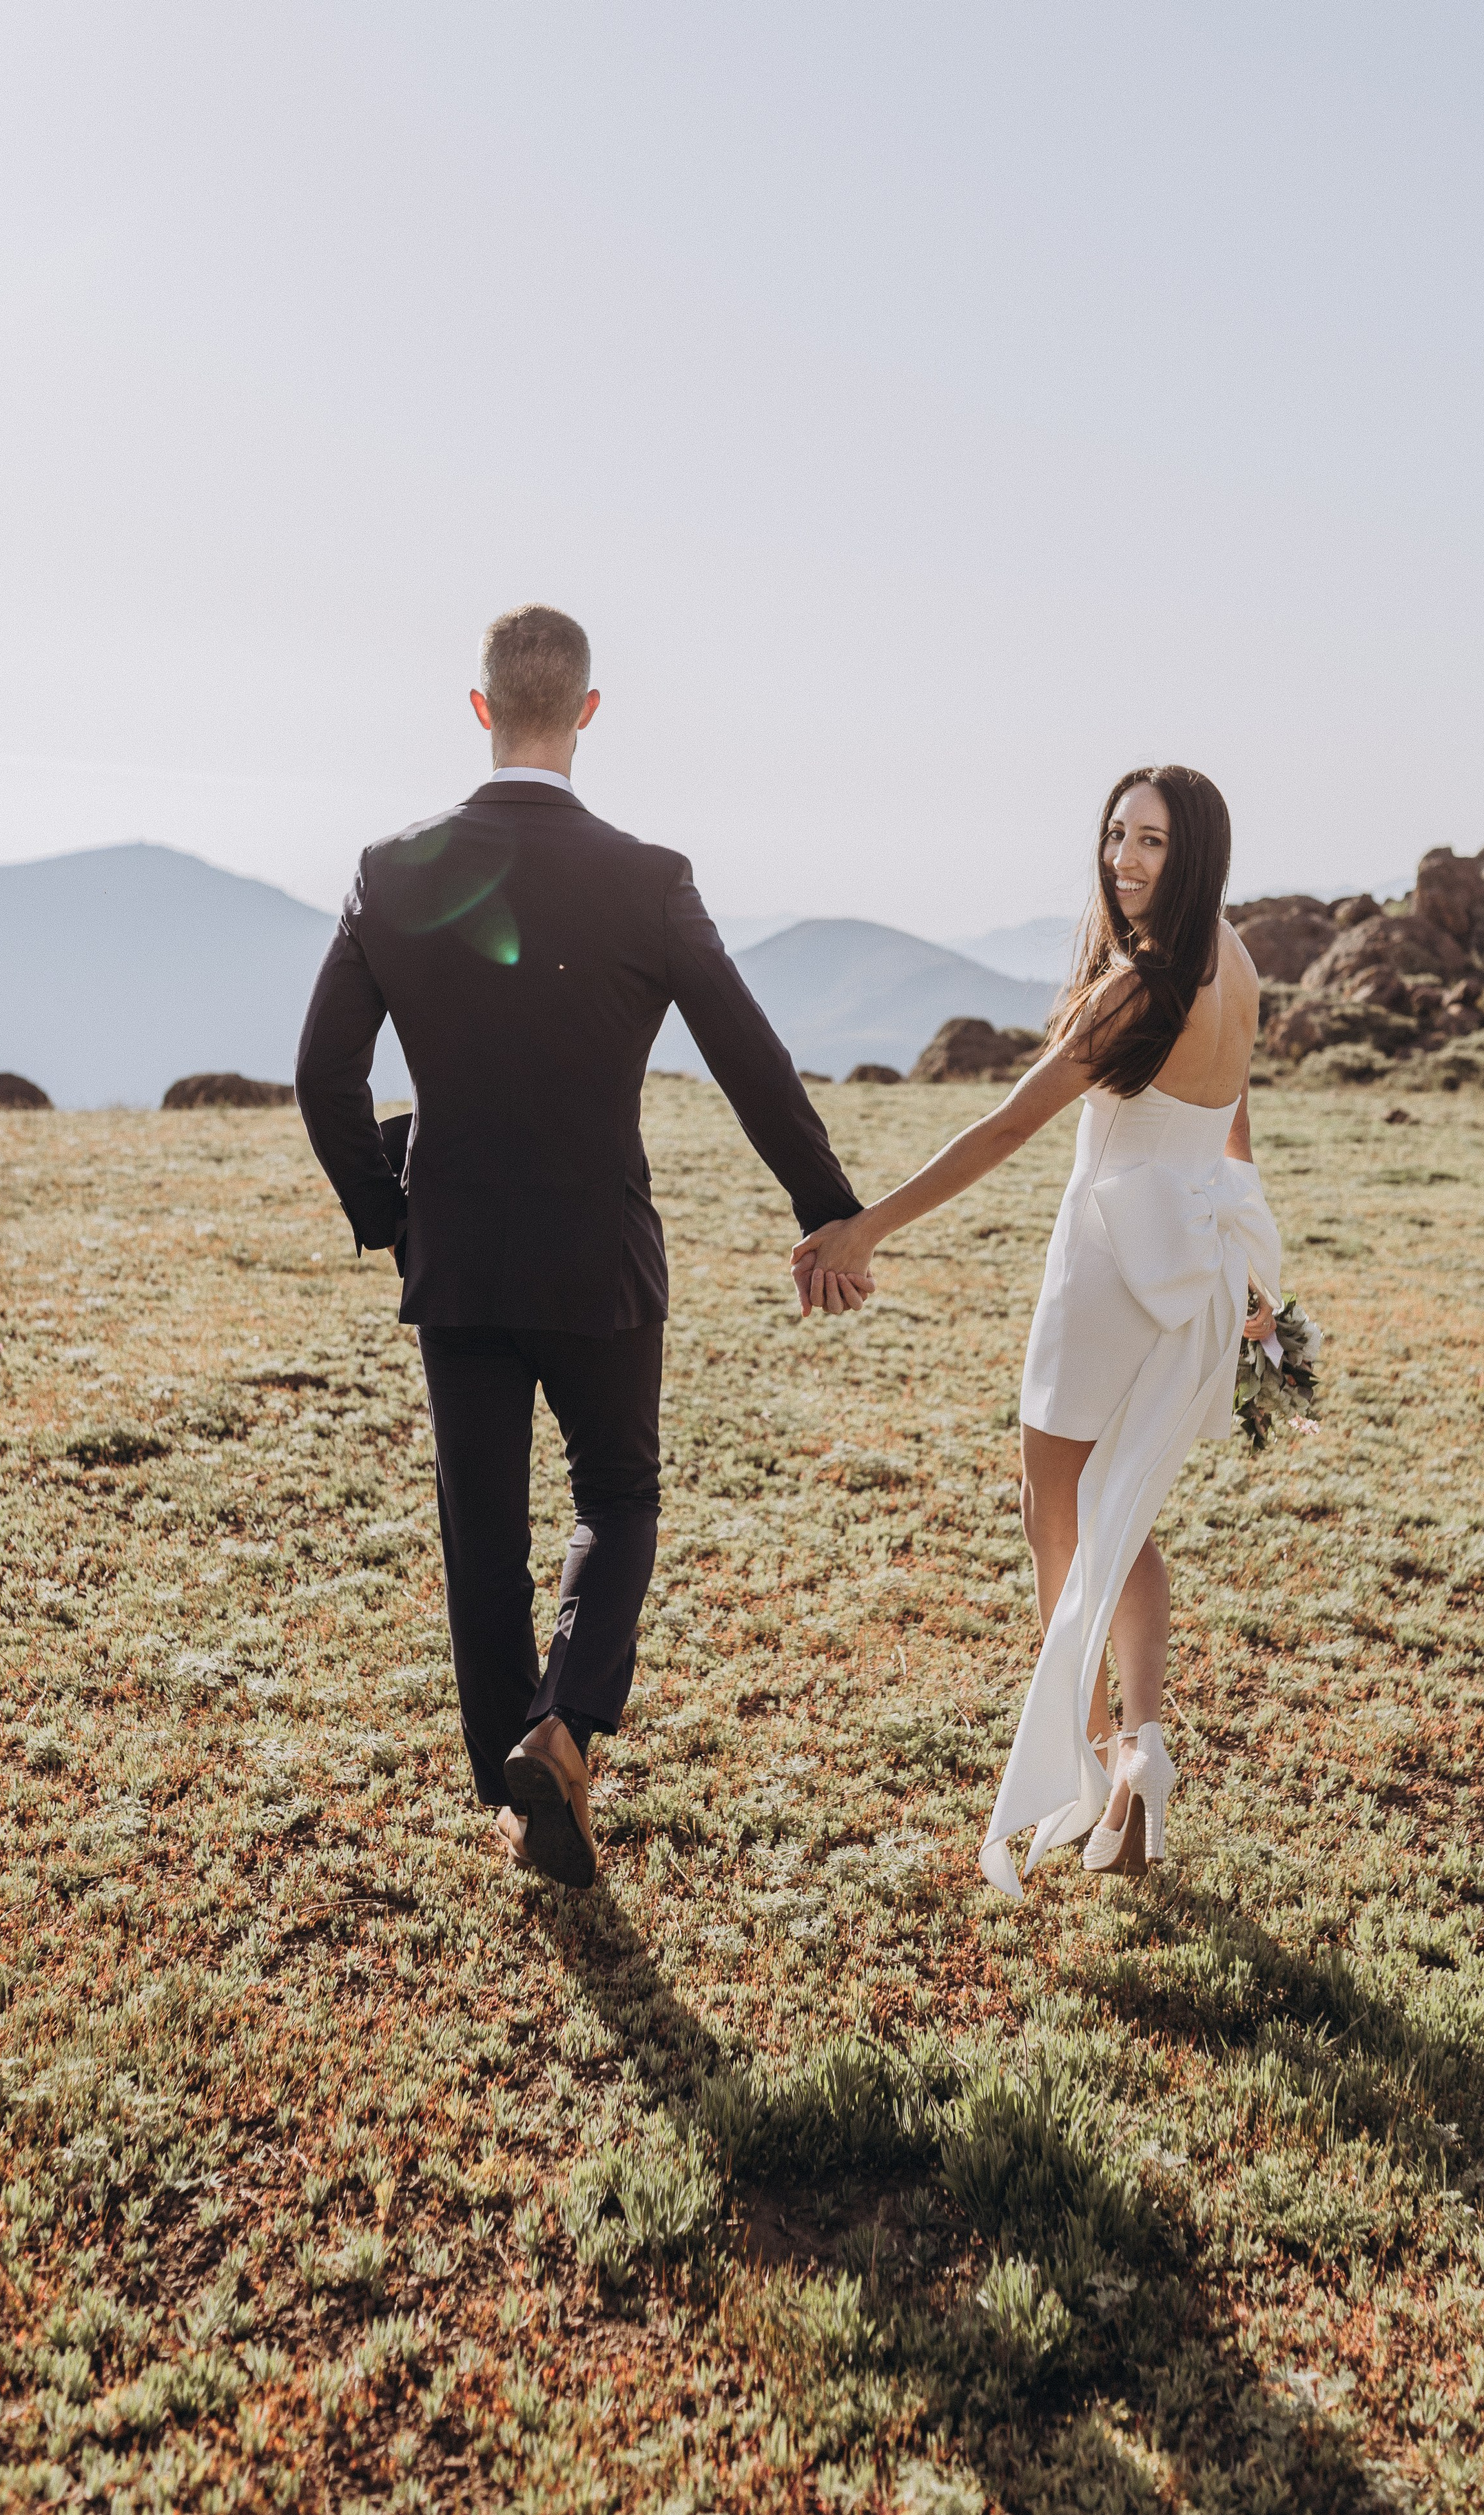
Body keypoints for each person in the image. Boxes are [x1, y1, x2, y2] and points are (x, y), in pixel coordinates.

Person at [296, 604, 867, 1892]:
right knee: (618, 1496)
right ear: (590, 713)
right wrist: (825, 1206)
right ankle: (563, 1736)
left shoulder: (391, 870)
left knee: (483, 1535)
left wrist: (388, 1214)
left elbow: (324, 1072)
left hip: (457, 1261)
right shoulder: (649, 877)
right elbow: (751, 1061)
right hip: (601, 1257)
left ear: (481, 707)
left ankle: (518, 1784)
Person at [794, 766, 1282, 1891]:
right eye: (1117, 835)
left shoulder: (1139, 984)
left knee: (1049, 1503)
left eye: (1152, 841)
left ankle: (1096, 1749)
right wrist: (1254, 1276)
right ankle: (1141, 1752)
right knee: (1124, 1510)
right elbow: (1235, 1123)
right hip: (1196, 1266)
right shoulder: (1239, 956)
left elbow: (1006, 1126)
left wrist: (868, 1229)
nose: (1125, 860)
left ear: (1194, 848)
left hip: (1110, 1266)